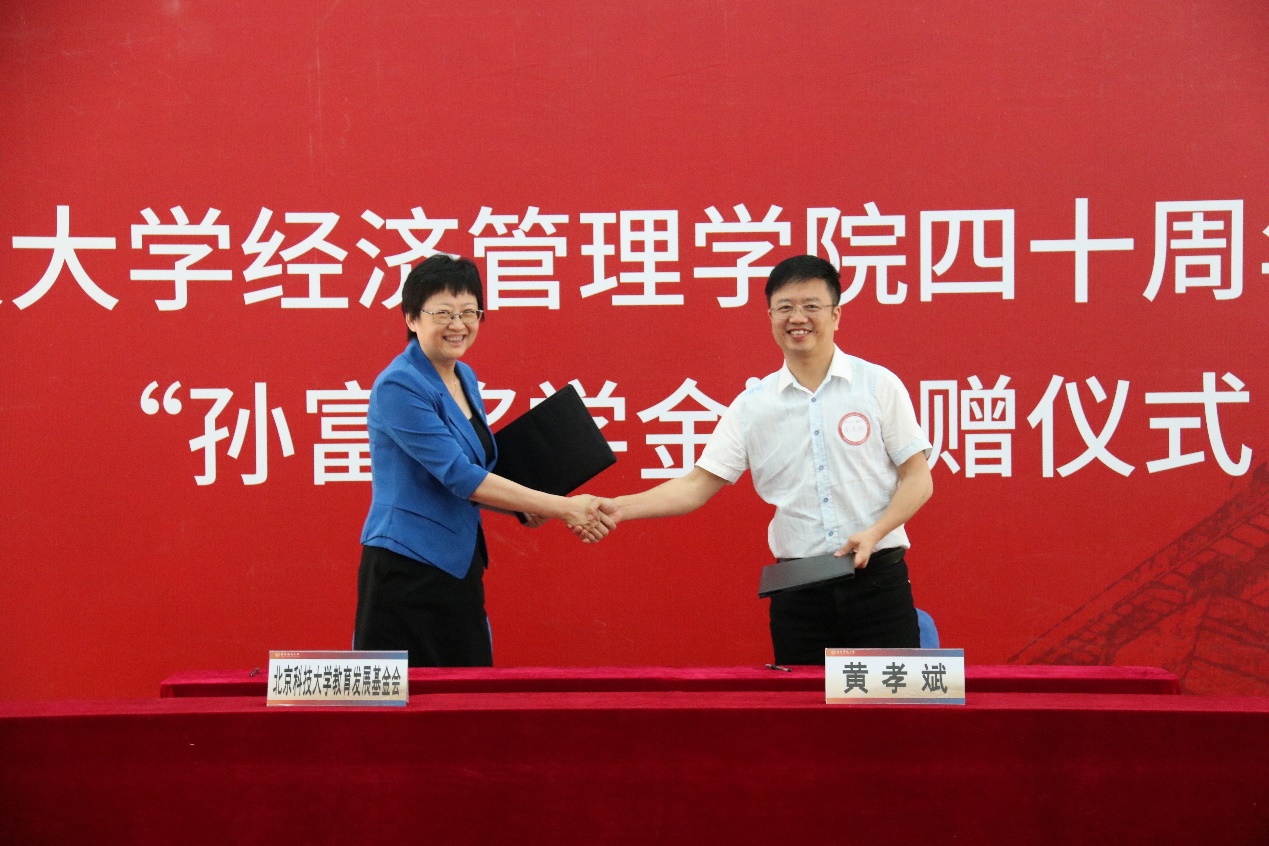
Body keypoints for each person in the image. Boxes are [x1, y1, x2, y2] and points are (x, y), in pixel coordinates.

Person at [600, 254, 933, 664]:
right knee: (804, 707)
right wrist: (618, 508)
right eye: (785, 307)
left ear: (836, 315)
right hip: (799, 593)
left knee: (892, 703)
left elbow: (918, 478)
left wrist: (875, 532)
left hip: (878, 581)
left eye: (811, 306)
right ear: (770, 316)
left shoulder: (878, 385)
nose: (798, 318)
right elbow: (695, 486)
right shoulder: (752, 406)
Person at [354, 254, 611, 667]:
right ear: (411, 318)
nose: (458, 324)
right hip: (405, 569)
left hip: (459, 562)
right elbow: (460, 476)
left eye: (468, 311)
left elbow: (478, 470)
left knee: (469, 692)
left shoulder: (464, 376)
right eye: (442, 312)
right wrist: (564, 508)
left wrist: (525, 507)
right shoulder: (399, 385)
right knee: (398, 701)